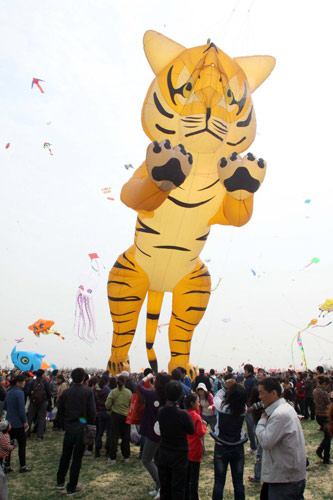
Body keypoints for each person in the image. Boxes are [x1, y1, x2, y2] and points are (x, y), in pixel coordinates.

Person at [256, 377, 306, 500]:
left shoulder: (279, 414)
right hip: (288, 475)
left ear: (273, 393)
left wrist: (261, 422)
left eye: (262, 393)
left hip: (284, 480)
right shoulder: (284, 409)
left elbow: (266, 442)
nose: (259, 397)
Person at [56, 367, 96, 495]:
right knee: (77, 458)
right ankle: (71, 486)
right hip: (81, 429)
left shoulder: (66, 393)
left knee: (65, 455)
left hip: (69, 428)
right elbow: (91, 412)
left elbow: (60, 412)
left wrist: (64, 424)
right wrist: (87, 423)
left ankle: (60, 481)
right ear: (84, 378)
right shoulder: (88, 392)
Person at [157, 380, 194, 500]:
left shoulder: (161, 411)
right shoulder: (183, 414)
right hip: (179, 453)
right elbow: (191, 430)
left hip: (164, 451)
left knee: (165, 486)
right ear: (179, 395)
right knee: (178, 487)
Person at [211, 383, 248, 500]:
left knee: (219, 482)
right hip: (237, 447)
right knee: (238, 482)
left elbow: (216, 398)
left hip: (221, 446)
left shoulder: (221, 406)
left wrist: (224, 388)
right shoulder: (244, 409)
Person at [138, 371, 170, 500]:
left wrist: (147, 377)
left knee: (146, 459)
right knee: (157, 460)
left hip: (153, 432)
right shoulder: (168, 396)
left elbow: (139, 386)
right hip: (164, 432)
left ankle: (162, 486)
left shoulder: (152, 394)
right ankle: (158, 486)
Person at [3, 374, 31, 473]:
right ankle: (22, 466)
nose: (24, 383)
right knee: (22, 445)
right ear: (18, 383)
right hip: (18, 423)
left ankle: (7, 465)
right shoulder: (20, 393)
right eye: (23, 381)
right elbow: (21, 409)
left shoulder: (9, 391)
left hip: (9, 423)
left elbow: (5, 406)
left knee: (8, 445)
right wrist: (24, 421)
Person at [184, 393, 206, 500]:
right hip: (195, 450)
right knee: (194, 479)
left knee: (186, 477)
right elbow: (200, 432)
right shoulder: (196, 417)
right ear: (192, 404)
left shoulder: (184, 414)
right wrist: (204, 426)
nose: (199, 403)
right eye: (197, 401)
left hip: (185, 450)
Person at [105, 374, 132, 464]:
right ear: (125, 382)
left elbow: (107, 404)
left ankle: (112, 457)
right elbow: (131, 404)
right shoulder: (129, 392)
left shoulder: (113, 392)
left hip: (115, 415)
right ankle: (126, 456)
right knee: (126, 437)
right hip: (126, 416)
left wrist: (110, 410)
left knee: (114, 436)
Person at [26, 369, 51, 440]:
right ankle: (39, 435)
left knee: (30, 418)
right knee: (41, 418)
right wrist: (47, 399)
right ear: (43, 374)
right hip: (43, 402)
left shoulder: (32, 381)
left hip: (33, 402)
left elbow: (27, 391)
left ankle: (27, 433)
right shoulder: (45, 382)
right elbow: (49, 392)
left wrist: (32, 397)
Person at [313, 375, 332, 464]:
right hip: (325, 416)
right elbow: (329, 404)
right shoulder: (323, 393)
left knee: (327, 436)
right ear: (324, 383)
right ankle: (326, 457)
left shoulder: (315, 391)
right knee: (328, 437)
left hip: (318, 415)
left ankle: (320, 450)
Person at [94, 374, 111, 458]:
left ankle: (97, 449)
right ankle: (107, 449)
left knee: (99, 432)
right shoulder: (108, 391)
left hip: (99, 412)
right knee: (108, 432)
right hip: (107, 412)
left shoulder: (97, 390)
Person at [244, 364, 258, 454]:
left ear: (248, 371)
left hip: (249, 406)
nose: (244, 372)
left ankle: (253, 447)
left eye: (245, 370)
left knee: (251, 428)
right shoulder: (256, 380)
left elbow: (246, 394)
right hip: (257, 406)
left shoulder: (247, 381)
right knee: (257, 426)